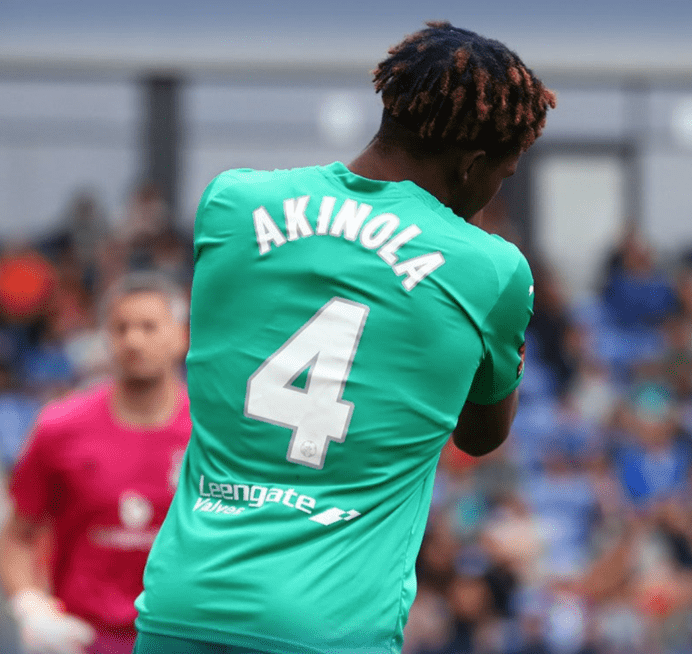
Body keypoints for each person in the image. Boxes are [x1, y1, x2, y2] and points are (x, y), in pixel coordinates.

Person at [132, 20, 557, 654]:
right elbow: (481, 434)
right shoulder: (490, 269)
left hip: (181, 604)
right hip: (330, 625)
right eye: (504, 171)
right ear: (472, 164)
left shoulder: (233, 203)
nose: (498, 188)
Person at [0, 272, 191, 654]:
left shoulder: (212, 434)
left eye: (149, 327)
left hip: (185, 639)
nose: (133, 340)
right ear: (106, 339)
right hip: (85, 641)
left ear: (180, 336)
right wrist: (30, 607)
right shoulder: (60, 427)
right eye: (121, 328)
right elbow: (18, 535)